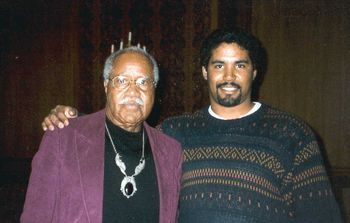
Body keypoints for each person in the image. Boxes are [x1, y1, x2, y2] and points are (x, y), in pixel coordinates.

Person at [41, 28, 342, 222]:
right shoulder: (174, 133)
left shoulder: (292, 134)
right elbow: (122, 136)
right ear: (204, 72)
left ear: (254, 72)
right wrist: (70, 120)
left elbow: (322, 216)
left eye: (240, 65)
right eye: (218, 65)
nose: (228, 76)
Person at [21, 46, 182, 223]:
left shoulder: (171, 151)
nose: (133, 91)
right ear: (106, 86)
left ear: (155, 89)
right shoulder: (64, 139)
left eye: (143, 82)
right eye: (121, 81)